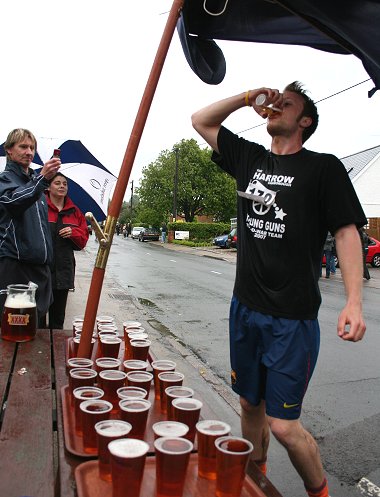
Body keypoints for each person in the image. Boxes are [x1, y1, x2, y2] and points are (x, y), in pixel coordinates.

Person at [192, 82, 367, 497]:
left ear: (305, 121)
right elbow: (201, 120)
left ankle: (318, 491)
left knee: (285, 426)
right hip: (245, 309)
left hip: (292, 319)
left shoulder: (324, 168)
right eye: (274, 101)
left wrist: (355, 302)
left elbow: (346, 232)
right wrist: (246, 96)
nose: (275, 106)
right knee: (250, 405)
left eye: (286, 104)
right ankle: (256, 480)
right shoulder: (249, 157)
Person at [0, 128, 61, 326]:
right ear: (9, 150)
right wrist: (42, 179)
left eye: (32, 147)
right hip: (16, 267)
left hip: (40, 271)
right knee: (14, 333)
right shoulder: (5, 180)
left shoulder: (37, 186)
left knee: (38, 333)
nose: (29, 152)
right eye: (23, 146)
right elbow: (13, 202)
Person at [46, 173, 89, 329]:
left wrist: (73, 233)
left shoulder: (75, 212)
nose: (62, 186)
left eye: (64, 183)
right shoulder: (39, 206)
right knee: (37, 318)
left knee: (58, 319)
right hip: (40, 271)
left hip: (63, 272)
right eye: (57, 183)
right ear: (49, 187)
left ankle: (55, 352)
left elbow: (83, 241)